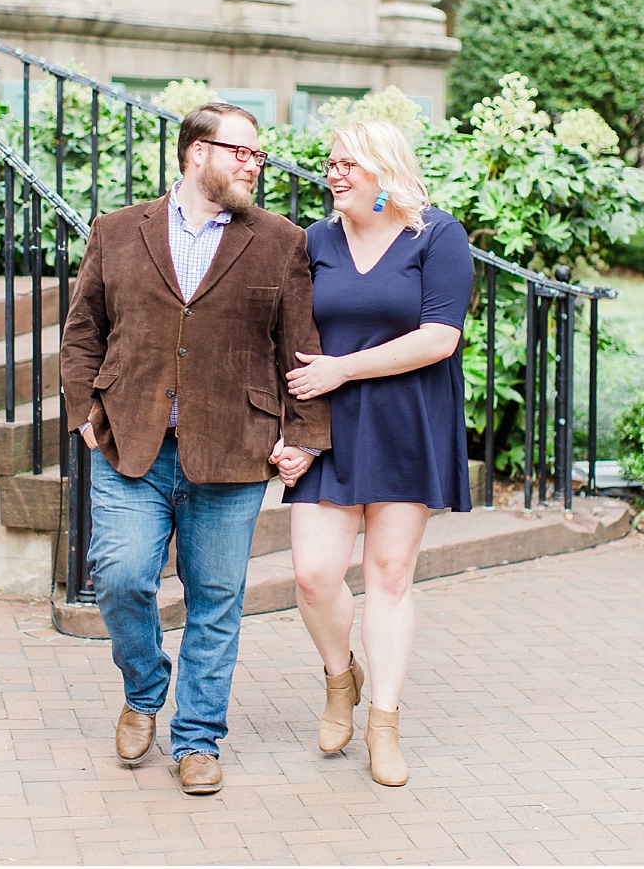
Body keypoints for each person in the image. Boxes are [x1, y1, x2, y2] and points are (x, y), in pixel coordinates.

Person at [59, 101, 330, 795]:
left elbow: (299, 347)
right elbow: (83, 326)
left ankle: (199, 737)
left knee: (216, 600)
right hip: (130, 444)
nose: (252, 164)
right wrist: (84, 408)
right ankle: (145, 686)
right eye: (241, 151)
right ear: (195, 152)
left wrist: (302, 434)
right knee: (120, 579)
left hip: (235, 448)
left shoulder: (280, 240)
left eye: (257, 155)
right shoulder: (118, 231)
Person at [279, 118, 474, 786]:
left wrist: (343, 368)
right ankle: (341, 678)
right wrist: (292, 424)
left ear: (384, 172)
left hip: (405, 423)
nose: (333, 173)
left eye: (347, 164)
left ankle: (383, 723)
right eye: (330, 164)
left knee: (389, 574)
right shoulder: (314, 242)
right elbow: (289, 338)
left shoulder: (436, 236)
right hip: (329, 426)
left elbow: (438, 338)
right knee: (313, 574)